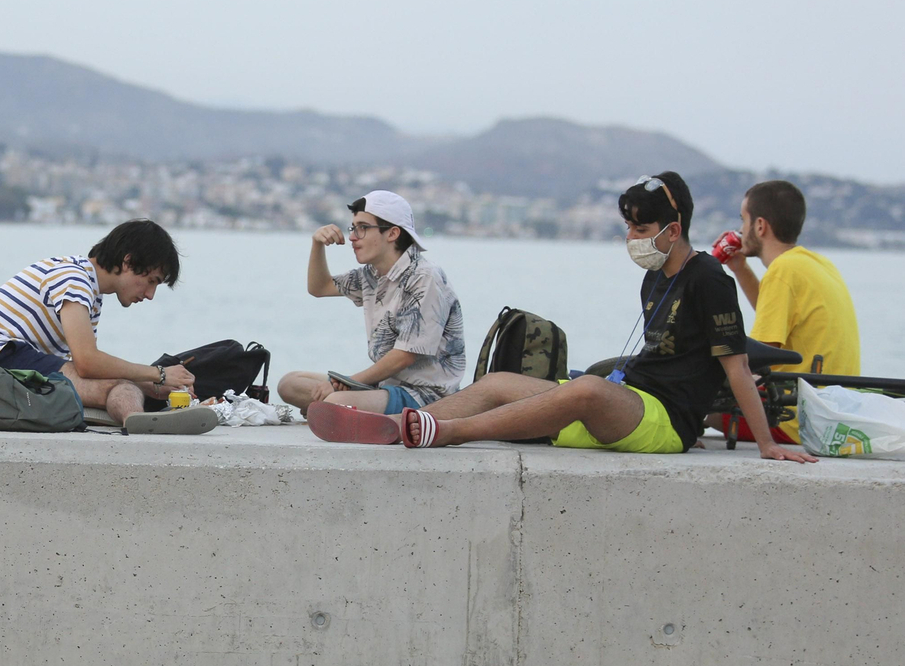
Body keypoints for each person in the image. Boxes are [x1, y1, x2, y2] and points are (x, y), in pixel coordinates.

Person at [308, 172, 818, 463]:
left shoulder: (711, 279)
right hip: (633, 402)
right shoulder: (655, 276)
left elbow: (734, 366)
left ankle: (443, 433)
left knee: (588, 390)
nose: (633, 236)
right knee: (503, 381)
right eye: (629, 226)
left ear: (674, 227)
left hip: (667, 423)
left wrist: (768, 444)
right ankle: (395, 425)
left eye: (642, 227)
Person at [0, 219, 215, 433]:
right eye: (152, 281)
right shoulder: (74, 279)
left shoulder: (90, 292)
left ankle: (138, 420)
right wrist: (158, 374)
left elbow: (88, 370)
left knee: (120, 385)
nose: (149, 295)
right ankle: (139, 422)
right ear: (128, 262)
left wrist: (153, 386)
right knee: (116, 386)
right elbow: (87, 361)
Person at [279, 191, 465, 421]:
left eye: (362, 228)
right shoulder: (373, 274)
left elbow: (404, 356)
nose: (353, 237)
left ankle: (348, 414)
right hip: (383, 387)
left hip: (425, 397)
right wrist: (317, 244)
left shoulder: (424, 277)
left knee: (335, 400)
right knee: (289, 384)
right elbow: (320, 287)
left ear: (393, 233)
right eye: (353, 228)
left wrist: (346, 384)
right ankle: (345, 413)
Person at [717, 179, 860, 442]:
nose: (740, 230)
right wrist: (739, 268)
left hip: (795, 420)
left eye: (743, 220)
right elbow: (775, 315)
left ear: (760, 226)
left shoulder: (782, 271)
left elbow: (756, 358)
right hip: (835, 410)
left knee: (696, 404)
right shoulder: (817, 264)